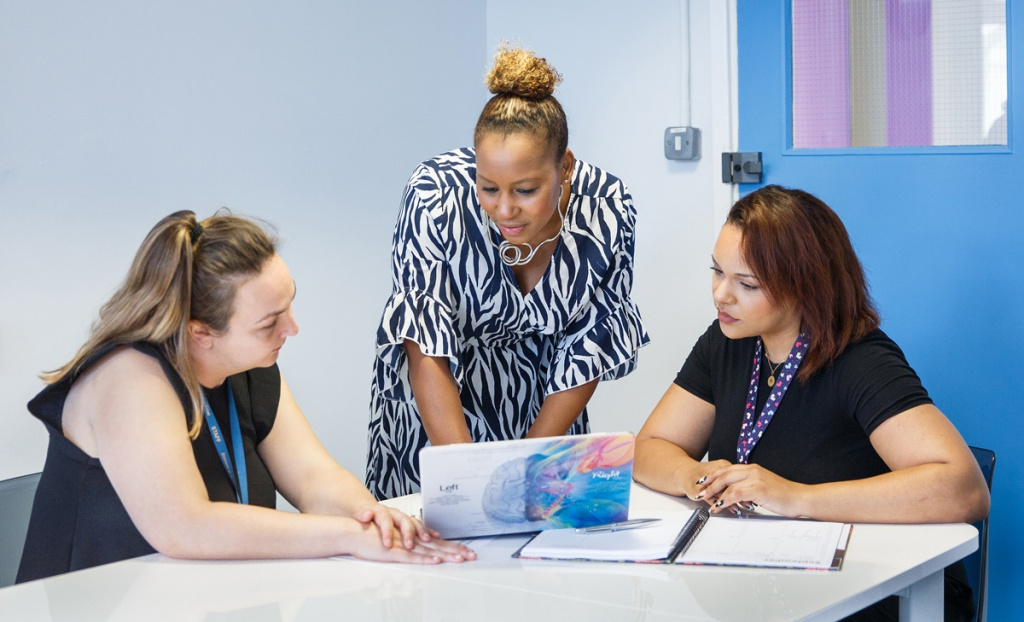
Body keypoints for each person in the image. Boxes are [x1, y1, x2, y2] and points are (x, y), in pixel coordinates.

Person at [17, 211, 474, 583]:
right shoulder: (130, 377)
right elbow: (184, 528)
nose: (292, 328)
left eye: (290, 304)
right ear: (201, 333)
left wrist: (370, 517)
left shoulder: (250, 370)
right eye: (269, 322)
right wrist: (347, 537)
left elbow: (315, 479)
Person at [633, 185, 989, 621]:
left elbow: (965, 489)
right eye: (717, 271)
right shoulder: (727, 340)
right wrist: (694, 475)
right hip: (766, 581)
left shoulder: (860, 358)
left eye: (746, 283)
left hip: (879, 590)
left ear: (805, 286)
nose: (721, 295)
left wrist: (795, 497)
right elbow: (650, 446)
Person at [366, 44, 649, 499]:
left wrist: (528, 472)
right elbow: (425, 340)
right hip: (441, 409)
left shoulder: (607, 210)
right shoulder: (435, 196)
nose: (504, 209)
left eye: (525, 189)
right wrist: (466, 480)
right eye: (488, 187)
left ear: (566, 167)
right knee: (435, 551)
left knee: (538, 545)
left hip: (548, 407)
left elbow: (588, 347)